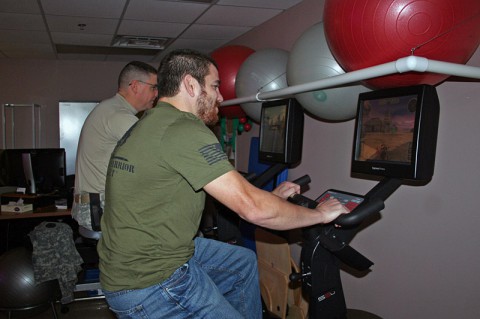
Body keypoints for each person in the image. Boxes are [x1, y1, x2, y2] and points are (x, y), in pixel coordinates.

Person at [97, 49, 349, 319]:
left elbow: (212, 188)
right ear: (191, 85)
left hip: (131, 262)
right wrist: (319, 215)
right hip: (151, 280)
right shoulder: (184, 128)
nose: (220, 97)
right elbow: (253, 209)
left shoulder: (148, 123)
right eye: (215, 86)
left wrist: (271, 197)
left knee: (241, 263)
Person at [72, 61, 158, 239]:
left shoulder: (108, 108)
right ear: (135, 86)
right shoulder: (119, 116)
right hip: (99, 210)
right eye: (153, 88)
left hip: (93, 206)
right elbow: (159, 154)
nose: (156, 94)